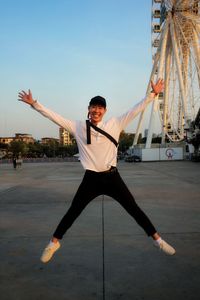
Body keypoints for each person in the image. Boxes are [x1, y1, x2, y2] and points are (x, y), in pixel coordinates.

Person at [18, 79, 175, 263]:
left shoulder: (115, 124)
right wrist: (35, 104)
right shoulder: (78, 127)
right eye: (94, 107)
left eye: (100, 108)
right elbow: (54, 117)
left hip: (112, 177)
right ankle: (53, 243)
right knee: (73, 211)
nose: (97, 110)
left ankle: (158, 240)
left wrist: (152, 94)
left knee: (134, 209)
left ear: (105, 111)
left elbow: (136, 109)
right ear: (88, 108)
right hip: (91, 179)